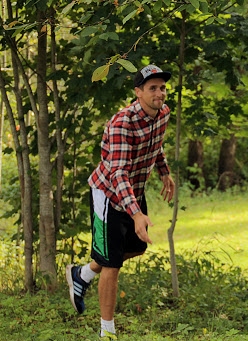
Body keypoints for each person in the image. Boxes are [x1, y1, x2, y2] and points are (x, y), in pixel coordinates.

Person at [66, 64, 175, 339]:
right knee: (112, 265)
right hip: (109, 194)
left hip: (133, 192)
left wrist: (165, 172)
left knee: (137, 248)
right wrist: (136, 214)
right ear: (138, 92)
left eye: (162, 87)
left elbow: (156, 145)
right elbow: (118, 173)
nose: (159, 93)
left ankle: (84, 274)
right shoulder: (122, 123)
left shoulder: (163, 114)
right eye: (152, 88)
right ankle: (107, 331)